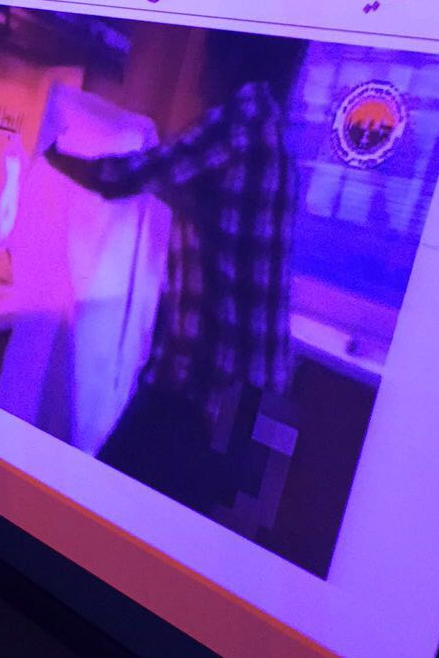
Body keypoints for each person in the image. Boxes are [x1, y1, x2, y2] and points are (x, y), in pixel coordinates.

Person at [45, 29, 305, 516]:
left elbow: (121, 176)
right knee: (180, 540)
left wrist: (48, 151)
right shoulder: (270, 130)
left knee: (99, 515)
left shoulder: (239, 120)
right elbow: (213, 207)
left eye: (207, 54)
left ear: (232, 57)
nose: (200, 71)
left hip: (213, 396)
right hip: (256, 403)